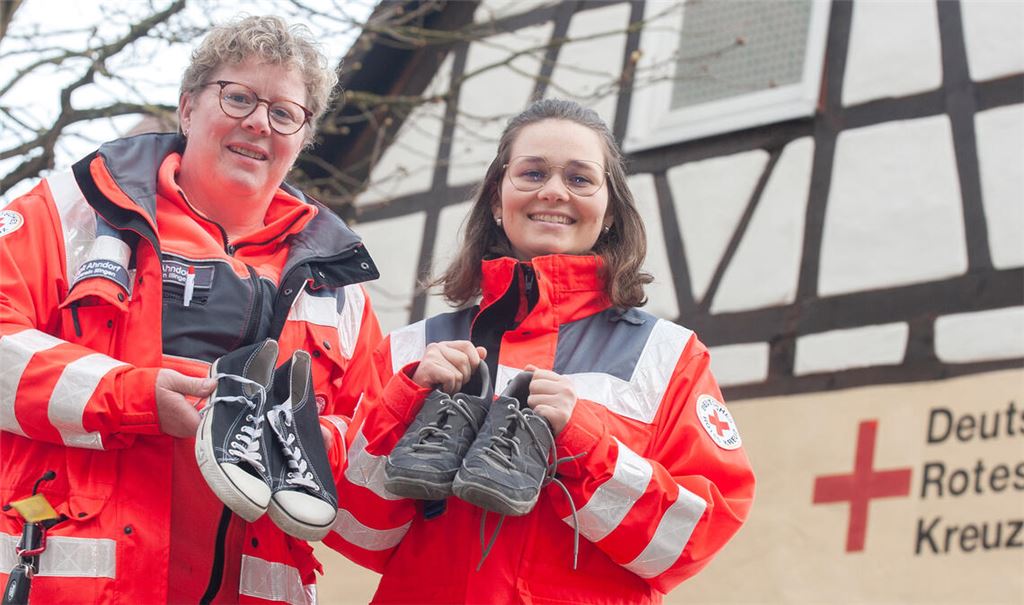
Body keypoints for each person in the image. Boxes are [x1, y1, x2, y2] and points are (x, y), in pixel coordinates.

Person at [0, 16, 382, 604]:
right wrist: (135, 397)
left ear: (302, 139)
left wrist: (312, 438)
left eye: (284, 113)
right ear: (187, 108)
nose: (259, 121)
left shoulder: (337, 286)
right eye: (238, 98)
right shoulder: (68, 213)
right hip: (67, 585)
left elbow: (364, 455)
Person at [323, 98, 755, 603]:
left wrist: (585, 447)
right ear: (495, 199)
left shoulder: (669, 357)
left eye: (579, 178)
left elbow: (690, 542)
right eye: (532, 173)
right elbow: (356, 531)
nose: (553, 191)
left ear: (610, 209)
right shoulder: (411, 352)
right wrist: (403, 407)